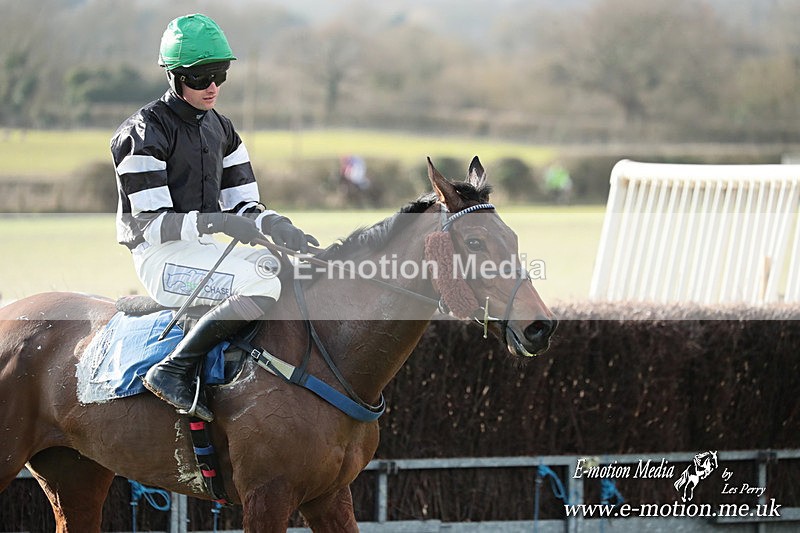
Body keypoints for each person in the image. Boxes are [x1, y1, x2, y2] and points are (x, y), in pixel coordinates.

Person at [110, 14, 318, 422]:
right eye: (201, 77)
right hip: (161, 261)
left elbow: (244, 206)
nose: (213, 87)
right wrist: (217, 223)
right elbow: (150, 224)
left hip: (203, 252)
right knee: (261, 282)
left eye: (220, 75)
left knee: (285, 270)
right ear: (174, 76)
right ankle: (172, 370)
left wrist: (276, 225)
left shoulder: (222, 129)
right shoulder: (142, 132)